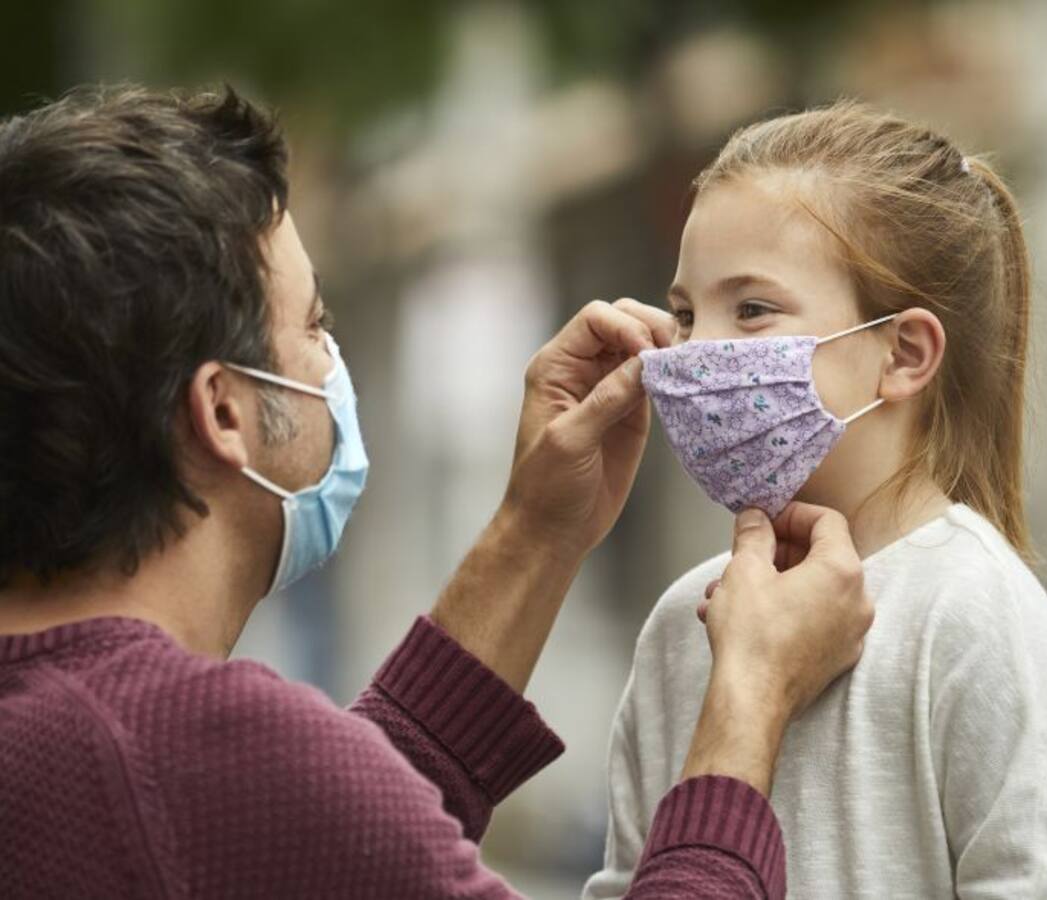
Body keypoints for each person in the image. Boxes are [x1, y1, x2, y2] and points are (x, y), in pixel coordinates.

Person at [0, 85, 875, 899]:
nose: (332, 361)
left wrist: (536, 533)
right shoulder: (185, 756)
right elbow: (293, 807)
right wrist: (748, 706)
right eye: (314, 325)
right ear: (224, 410)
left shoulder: (89, 743)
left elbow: (334, 841)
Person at [584, 101, 1047, 900]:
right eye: (686, 314)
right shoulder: (682, 623)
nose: (696, 353)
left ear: (903, 354)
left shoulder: (973, 613)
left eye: (753, 309)